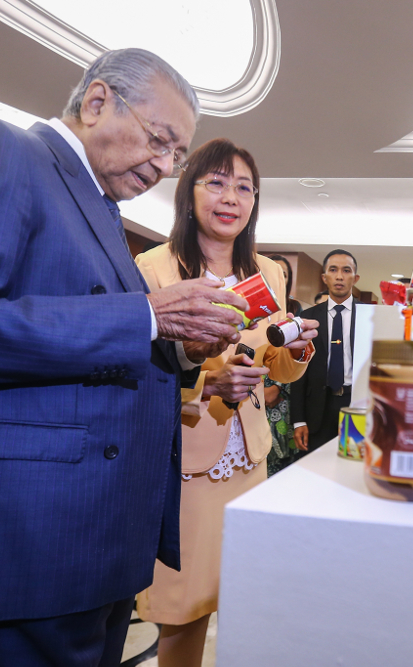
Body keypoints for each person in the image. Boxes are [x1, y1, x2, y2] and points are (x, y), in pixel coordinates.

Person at [0, 49, 251, 666]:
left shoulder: (101, 209)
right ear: (98, 101)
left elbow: (99, 344)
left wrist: (181, 350)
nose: (164, 166)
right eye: (159, 140)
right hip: (31, 531)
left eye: (177, 154)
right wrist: (145, 316)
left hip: (100, 532)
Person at [134, 138, 317, 667]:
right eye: (215, 183)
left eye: (244, 187)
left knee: (240, 596)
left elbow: (274, 365)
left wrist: (296, 351)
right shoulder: (153, 268)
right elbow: (140, 372)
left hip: (249, 459)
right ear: (187, 193)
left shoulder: (269, 271)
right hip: (186, 462)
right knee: (184, 607)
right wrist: (206, 386)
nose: (230, 197)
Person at [291, 249, 361, 454]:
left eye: (346, 270)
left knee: (352, 464)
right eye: (333, 270)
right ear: (324, 277)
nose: (339, 276)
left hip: (355, 405)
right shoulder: (307, 318)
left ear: (355, 278)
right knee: (316, 467)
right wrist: (298, 420)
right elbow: (298, 371)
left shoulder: (368, 316)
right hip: (316, 409)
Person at [263, 254, 302, 475]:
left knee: (280, 464)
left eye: (283, 274)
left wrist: (277, 387)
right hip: (249, 391)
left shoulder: (294, 310)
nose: (277, 277)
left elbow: (297, 354)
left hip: (281, 394)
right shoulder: (250, 308)